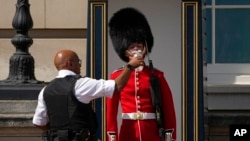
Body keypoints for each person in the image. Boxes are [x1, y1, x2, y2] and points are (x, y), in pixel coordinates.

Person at [32, 49, 144, 141]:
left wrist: (59, 133)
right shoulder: (80, 84)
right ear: (70, 63)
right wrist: (130, 66)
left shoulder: (45, 90)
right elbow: (116, 87)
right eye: (78, 62)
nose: (80, 66)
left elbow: (39, 122)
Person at [106, 8, 176, 141]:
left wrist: (169, 134)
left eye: (139, 45)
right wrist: (112, 135)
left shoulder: (157, 75)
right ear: (125, 51)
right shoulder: (117, 76)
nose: (137, 49)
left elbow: (168, 108)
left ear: (145, 48)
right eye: (132, 47)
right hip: (128, 131)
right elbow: (111, 110)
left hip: (151, 131)